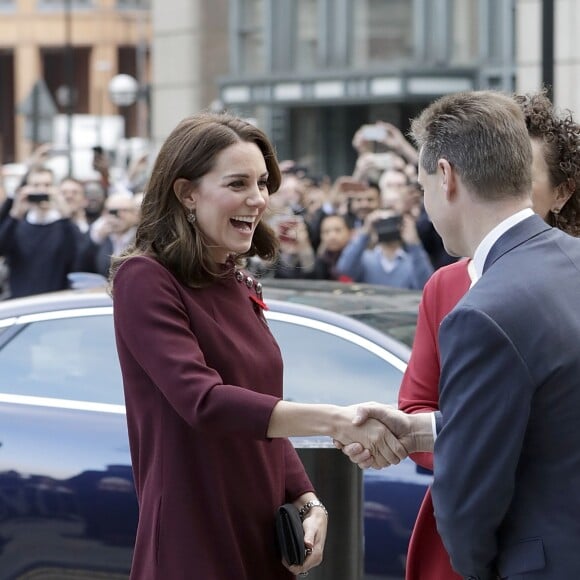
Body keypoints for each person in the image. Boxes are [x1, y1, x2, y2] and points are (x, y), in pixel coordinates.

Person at [109, 111, 405, 580]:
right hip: (195, 536)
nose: (258, 199)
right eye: (238, 183)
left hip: (264, 533)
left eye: (264, 183)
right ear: (186, 192)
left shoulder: (237, 280)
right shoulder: (144, 279)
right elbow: (204, 402)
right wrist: (335, 420)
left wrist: (307, 498)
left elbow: (261, 409)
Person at [343, 90, 580, 579]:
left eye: (422, 184)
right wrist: (424, 428)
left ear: (446, 177)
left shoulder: (484, 313)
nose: (424, 202)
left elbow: (468, 504)